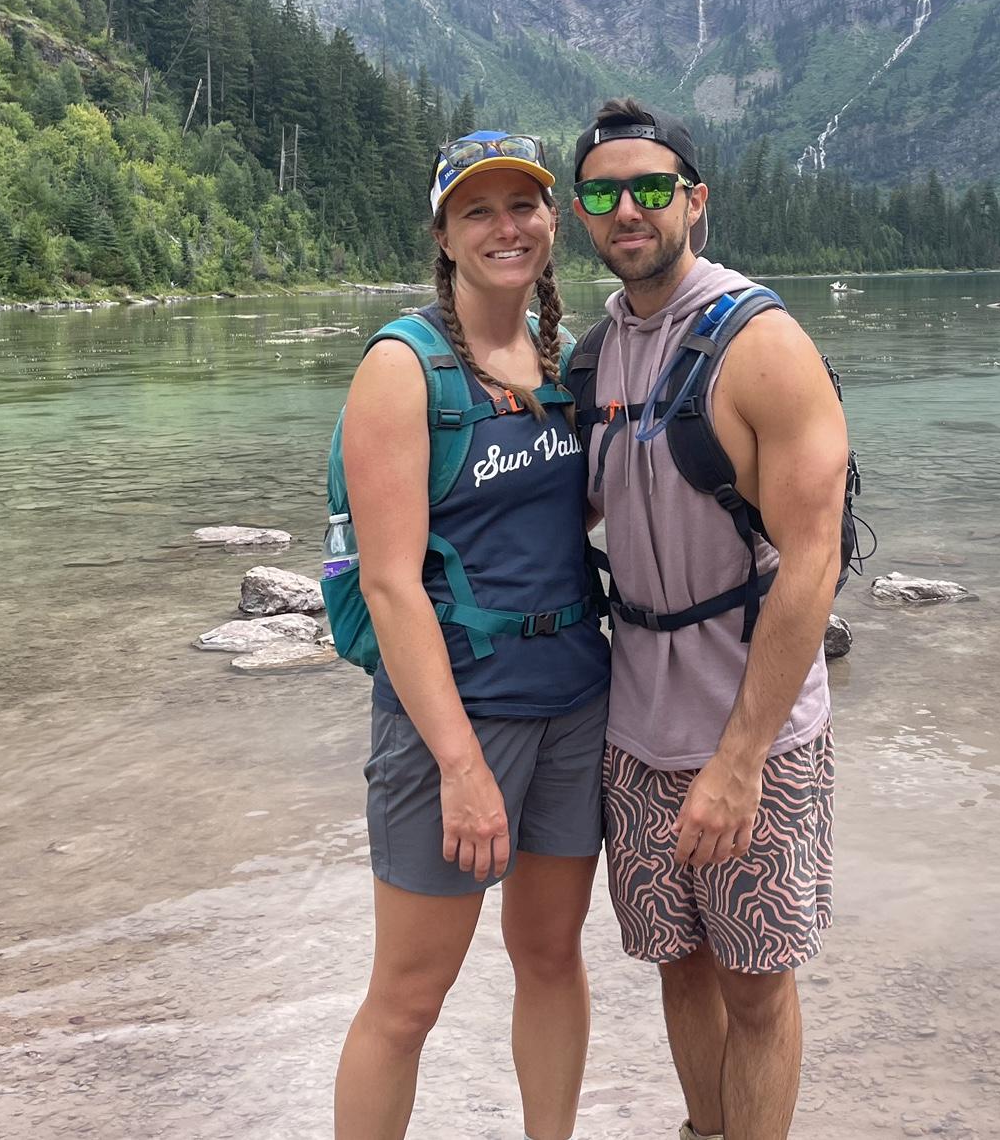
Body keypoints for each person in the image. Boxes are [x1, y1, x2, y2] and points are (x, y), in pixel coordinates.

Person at [569, 98, 849, 1140]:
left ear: (695, 200)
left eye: (650, 188)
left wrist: (741, 760)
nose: (627, 208)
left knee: (757, 989)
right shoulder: (595, 358)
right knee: (680, 968)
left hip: (755, 738)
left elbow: (813, 560)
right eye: (603, 193)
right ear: (584, 216)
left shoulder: (761, 345)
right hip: (636, 733)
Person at [333, 132, 609, 1140]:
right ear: (445, 237)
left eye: (524, 206)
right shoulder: (404, 368)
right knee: (408, 998)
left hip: (576, 700)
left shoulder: (560, 364)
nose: (508, 227)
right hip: (455, 718)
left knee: (550, 956)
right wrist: (459, 764)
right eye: (479, 211)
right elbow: (391, 585)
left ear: (549, 223)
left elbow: (559, 519)